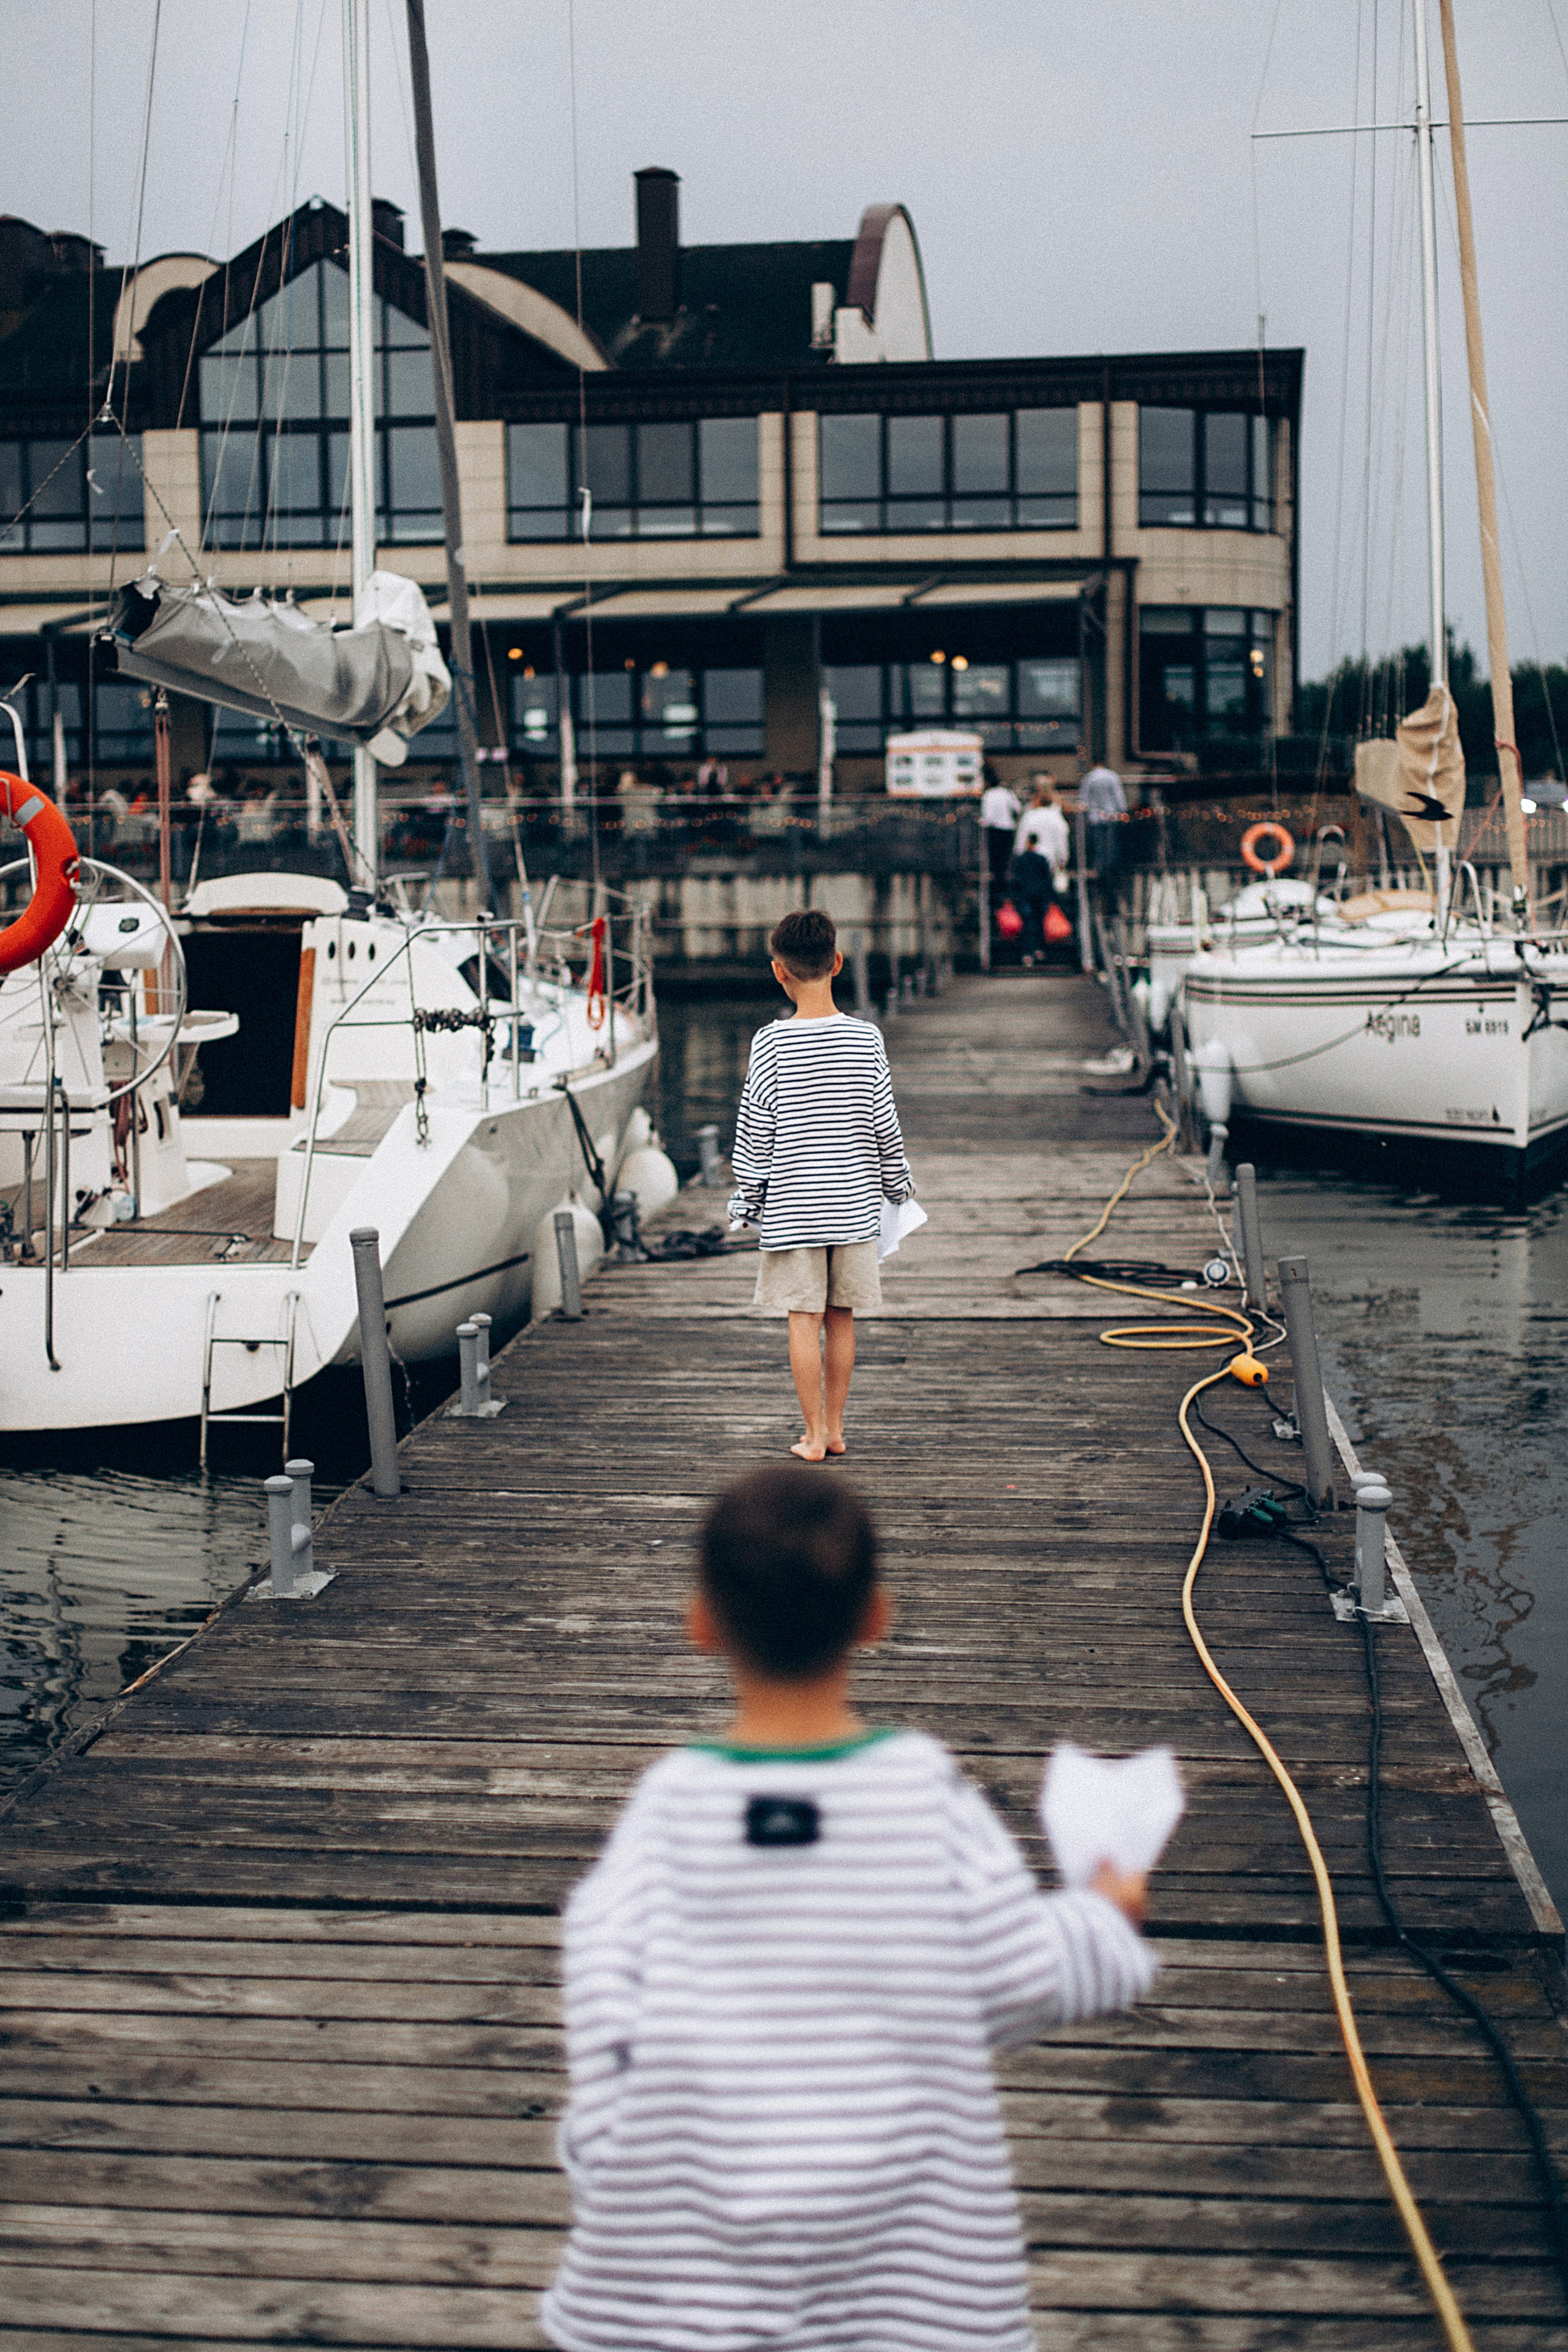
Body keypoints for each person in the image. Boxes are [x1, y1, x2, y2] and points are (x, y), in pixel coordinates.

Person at [540, 1466, 1158, 2352]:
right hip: (912, 2281)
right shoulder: (922, 1789)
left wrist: (613, 2177)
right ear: (877, 1615)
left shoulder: (670, 1806)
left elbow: (607, 2018)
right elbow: (1018, 1976)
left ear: (701, 1623)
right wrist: (1106, 1916)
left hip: (683, 2294)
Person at [727, 907, 913, 1463]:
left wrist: (746, 1200)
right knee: (842, 1317)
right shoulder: (866, 1037)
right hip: (853, 1207)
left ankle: (811, 1436)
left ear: (778, 972)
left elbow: (756, 1132)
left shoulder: (770, 1043)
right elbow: (884, 1121)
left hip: (794, 1210)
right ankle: (834, 1428)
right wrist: (898, 1188)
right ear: (837, 962)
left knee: (803, 1320)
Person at [1078, 752, 1128, 881]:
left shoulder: (1089, 778)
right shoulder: (1112, 776)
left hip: (1095, 816)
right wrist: (1123, 811)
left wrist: (1085, 814)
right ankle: (1112, 867)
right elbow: (1119, 796)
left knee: (1099, 844)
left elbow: (1084, 799)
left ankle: (1100, 869)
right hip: (1111, 814)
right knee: (1112, 842)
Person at [979, 766, 1022, 899]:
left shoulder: (988, 795)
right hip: (1009, 829)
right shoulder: (1007, 793)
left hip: (995, 830)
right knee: (1006, 860)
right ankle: (1006, 888)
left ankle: (999, 890)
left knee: (996, 863)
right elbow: (1018, 808)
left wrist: (982, 822)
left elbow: (988, 817)